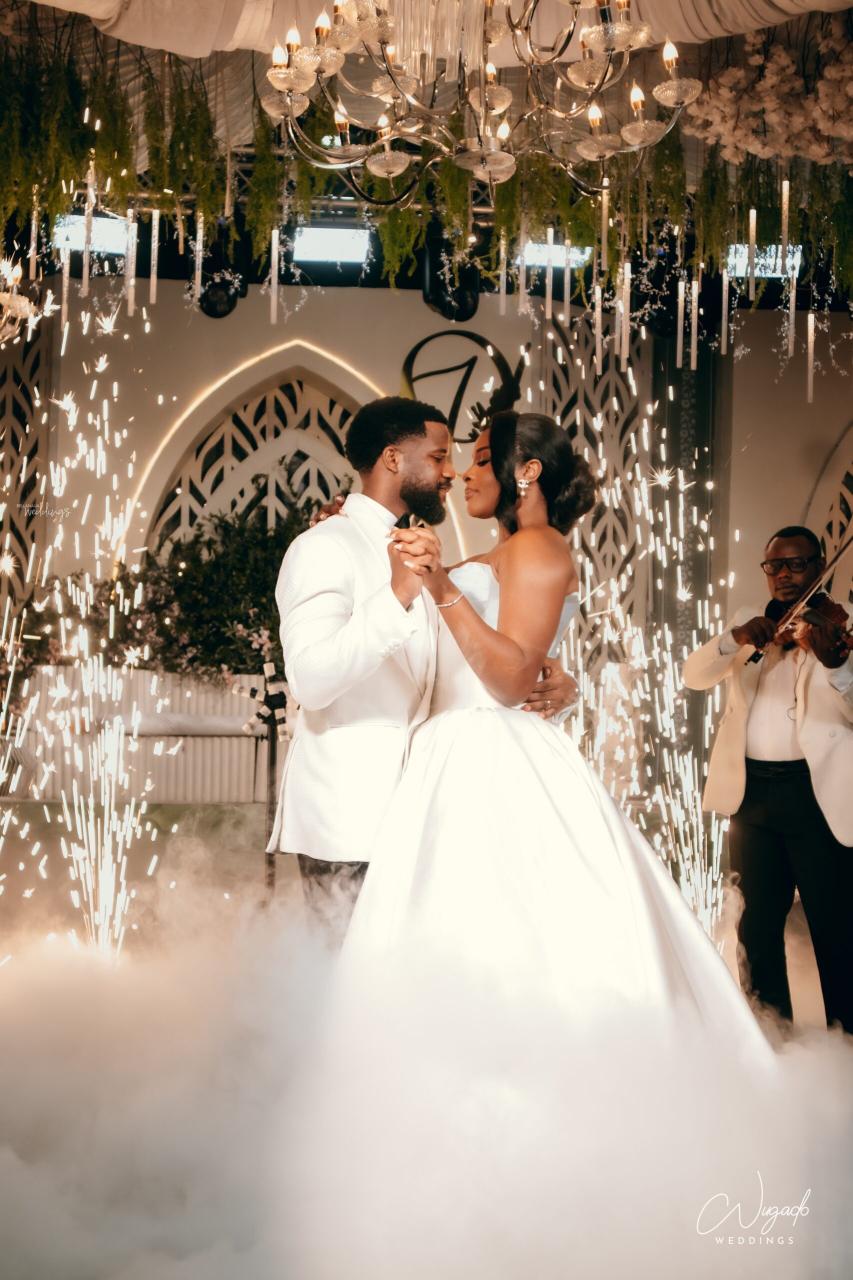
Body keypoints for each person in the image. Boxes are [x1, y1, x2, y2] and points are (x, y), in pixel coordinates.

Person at [267, 397, 577, 940]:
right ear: (393, 459)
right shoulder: (324, 546)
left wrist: (555, 677)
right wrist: (398, 594)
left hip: (428, 811)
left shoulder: (421, 552)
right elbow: (311, 681)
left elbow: (465, 655)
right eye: (438, 457)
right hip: (350, 816)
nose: (453, 472)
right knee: (343, 978)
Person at [683, 526, 853, 1032]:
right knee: (755, 927)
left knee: (835, 929)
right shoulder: (751, 622)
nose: (784, 575)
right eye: (774, 565)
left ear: (820, 566)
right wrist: (733, 639)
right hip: (752, 795)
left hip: (816, 796)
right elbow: (694, 676)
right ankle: (770, 1037)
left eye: (797, 564)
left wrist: (838, 666)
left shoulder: (841, 625)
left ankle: (844, 1047)